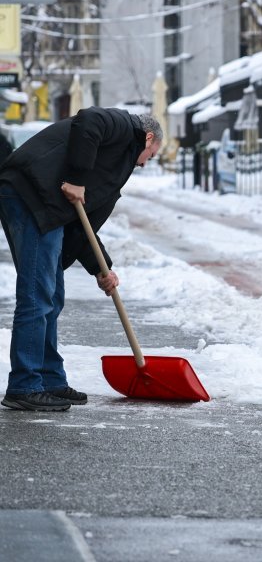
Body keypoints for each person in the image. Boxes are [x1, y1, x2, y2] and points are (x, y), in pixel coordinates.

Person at [0, 107, 162, 411]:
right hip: (30, 194)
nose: (144, 164)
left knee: (52, 296)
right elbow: (89, 120)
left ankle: (49, 379)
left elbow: (82, 226)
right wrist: (76, 178)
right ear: (148, 137)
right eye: (150, 156)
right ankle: (24, 385)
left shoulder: (113, 168)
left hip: (47, 205)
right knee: (37, 294)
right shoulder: (124, 125)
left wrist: (102, 268)